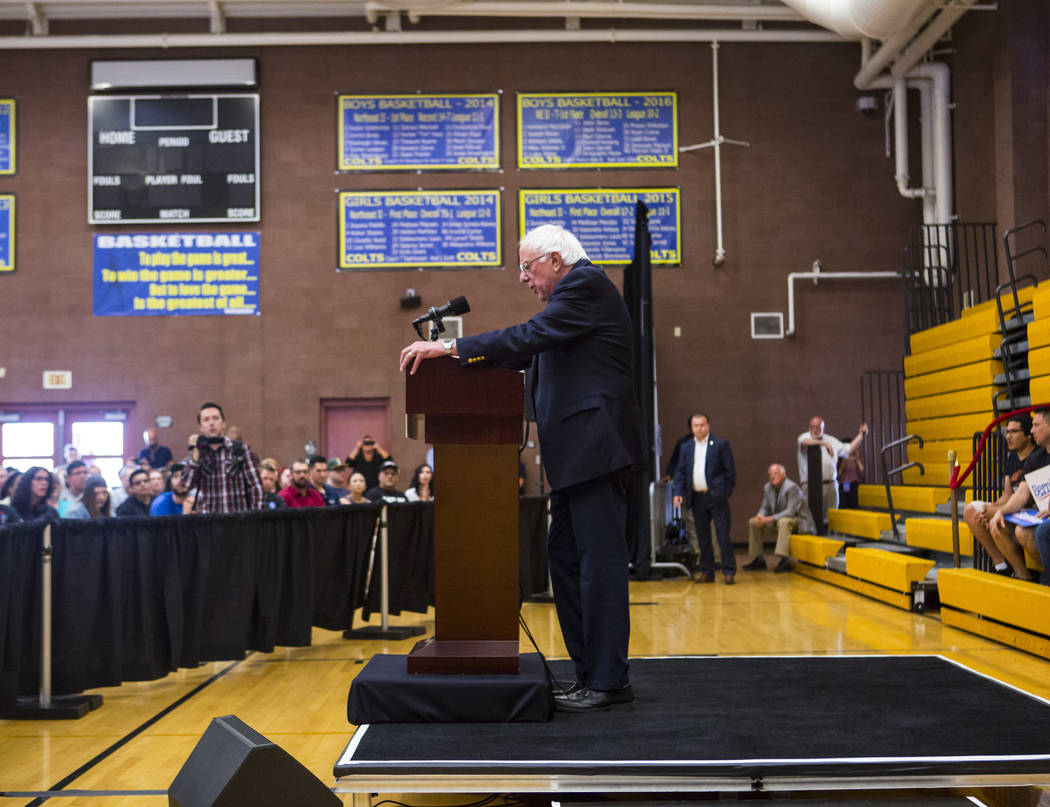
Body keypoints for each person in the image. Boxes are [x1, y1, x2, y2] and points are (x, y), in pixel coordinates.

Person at [400, 223, 644, 713]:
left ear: (555, 260)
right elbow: (533, 348)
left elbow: (529, 337)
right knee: (568, 561)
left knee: (599, 566)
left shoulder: (585, 286)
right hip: (576, 458)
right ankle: (591, 674)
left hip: (595, 452)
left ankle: (609, 680)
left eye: (527, 267)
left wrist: (450, 348)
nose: (522, 278)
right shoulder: (571, 302)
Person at [963, 414, 1034, 576]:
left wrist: (995, 512)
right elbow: (1008, 494)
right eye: (1006, 432)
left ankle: (1024, 575)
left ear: (1028, 434)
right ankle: (1000, 564)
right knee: (972, 511)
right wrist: (990, 509)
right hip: (1014, 508)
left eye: (1014, 432)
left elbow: (1027, 499)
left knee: (995, 520)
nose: (1008, 436)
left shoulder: (1036, 456)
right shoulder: (1012, 458)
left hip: (1028, 510)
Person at [672, 414, 737, 584]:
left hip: (716, 496)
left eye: (702, 425)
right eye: (695, 426)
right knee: (703, 537)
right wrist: (678, 492)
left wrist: (725, 493)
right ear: (691, 428)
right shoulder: (686, 447)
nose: (699, 428)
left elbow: (730, 472)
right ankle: (708, 571)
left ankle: (728, 571)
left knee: (723, 535)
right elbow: (680, 472)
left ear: (708, 425)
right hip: (697, 497)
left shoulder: (720, 444)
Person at [987, 408, 1050, 580]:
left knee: (1042, 531)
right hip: (1042, 515)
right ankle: (1030, 575)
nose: (1032, 430)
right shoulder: (1036, 458)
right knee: (1014, 528)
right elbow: (1021, 494)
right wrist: (1001, 511)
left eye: (1036, 425)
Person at [179, 402, 264, 513]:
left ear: (223, 423)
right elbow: (185, 486)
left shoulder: (241, 449)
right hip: (208, 523)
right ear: (201, 427)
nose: (211, 423)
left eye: (215, 418)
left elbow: (256, 486)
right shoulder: (197, 453)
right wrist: (196, 455)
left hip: (237, 521)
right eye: (206, 420)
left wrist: (256, 517)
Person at [743, 463, 816, 573]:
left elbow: (791, 512)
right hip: (779, 520)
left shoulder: (792, 487)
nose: (772, 476)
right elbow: (764, 507)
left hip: (800, 522)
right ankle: (758, 559)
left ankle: (784, 560)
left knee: (784, 522)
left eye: (775, 473)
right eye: (770, 474)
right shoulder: (768, 487)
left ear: (783, 475)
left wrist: (768, 519)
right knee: (753, 522)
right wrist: (759, 516)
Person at [796, 416, 869, 524]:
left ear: (823, 428)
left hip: (830, 485)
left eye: (818, 427)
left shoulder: (831, 440)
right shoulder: (804, 437)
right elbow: (805, 443)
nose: (814, 430)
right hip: (810, 486)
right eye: (812, 427)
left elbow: (848, 449)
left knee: (830, 520)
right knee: (810, 520)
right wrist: (824, 444)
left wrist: (861, 436)